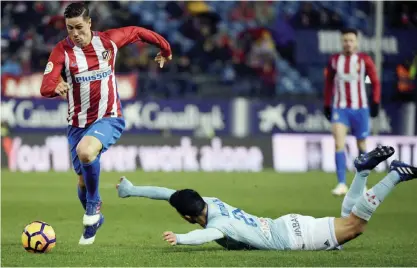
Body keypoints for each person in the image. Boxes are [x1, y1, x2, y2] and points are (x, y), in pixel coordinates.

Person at [39, 2, 172, 245]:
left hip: (109, 116)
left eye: (79, 27)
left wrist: (165, 47)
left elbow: (138, 31)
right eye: (70, 29)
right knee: (81, 178)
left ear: (89, 23)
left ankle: (93, 207)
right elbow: (45, 85)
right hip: (77, 124)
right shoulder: (62, 51)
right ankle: (96, 216)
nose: (75, 34)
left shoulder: (108, 41)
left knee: (86, 152)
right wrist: (54, 86)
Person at [116, 145, 416, 250]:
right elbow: (168, 193)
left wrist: (180, 239)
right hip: (284, 225)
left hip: (292, 238)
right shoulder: (211, 201)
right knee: (346, 219)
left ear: (187, 217)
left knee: (355, 225)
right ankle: (362, 172)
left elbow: (203, 237)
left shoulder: (218, 225)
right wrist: (131, 190)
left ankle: (395, 175)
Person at [323, 28, 381, 196]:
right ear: (341, 42)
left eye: (351, 40)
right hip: (340, 108)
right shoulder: (334, 60)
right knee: (338, 143)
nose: (348, 43)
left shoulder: (364, 60)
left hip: (360, 109)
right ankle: (341, 183)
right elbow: (328, 83)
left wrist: (375, 101)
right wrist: (327, 104)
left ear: (356, 42)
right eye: (345, 40)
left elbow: (375, 82)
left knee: (361, 145)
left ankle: (361, 184)